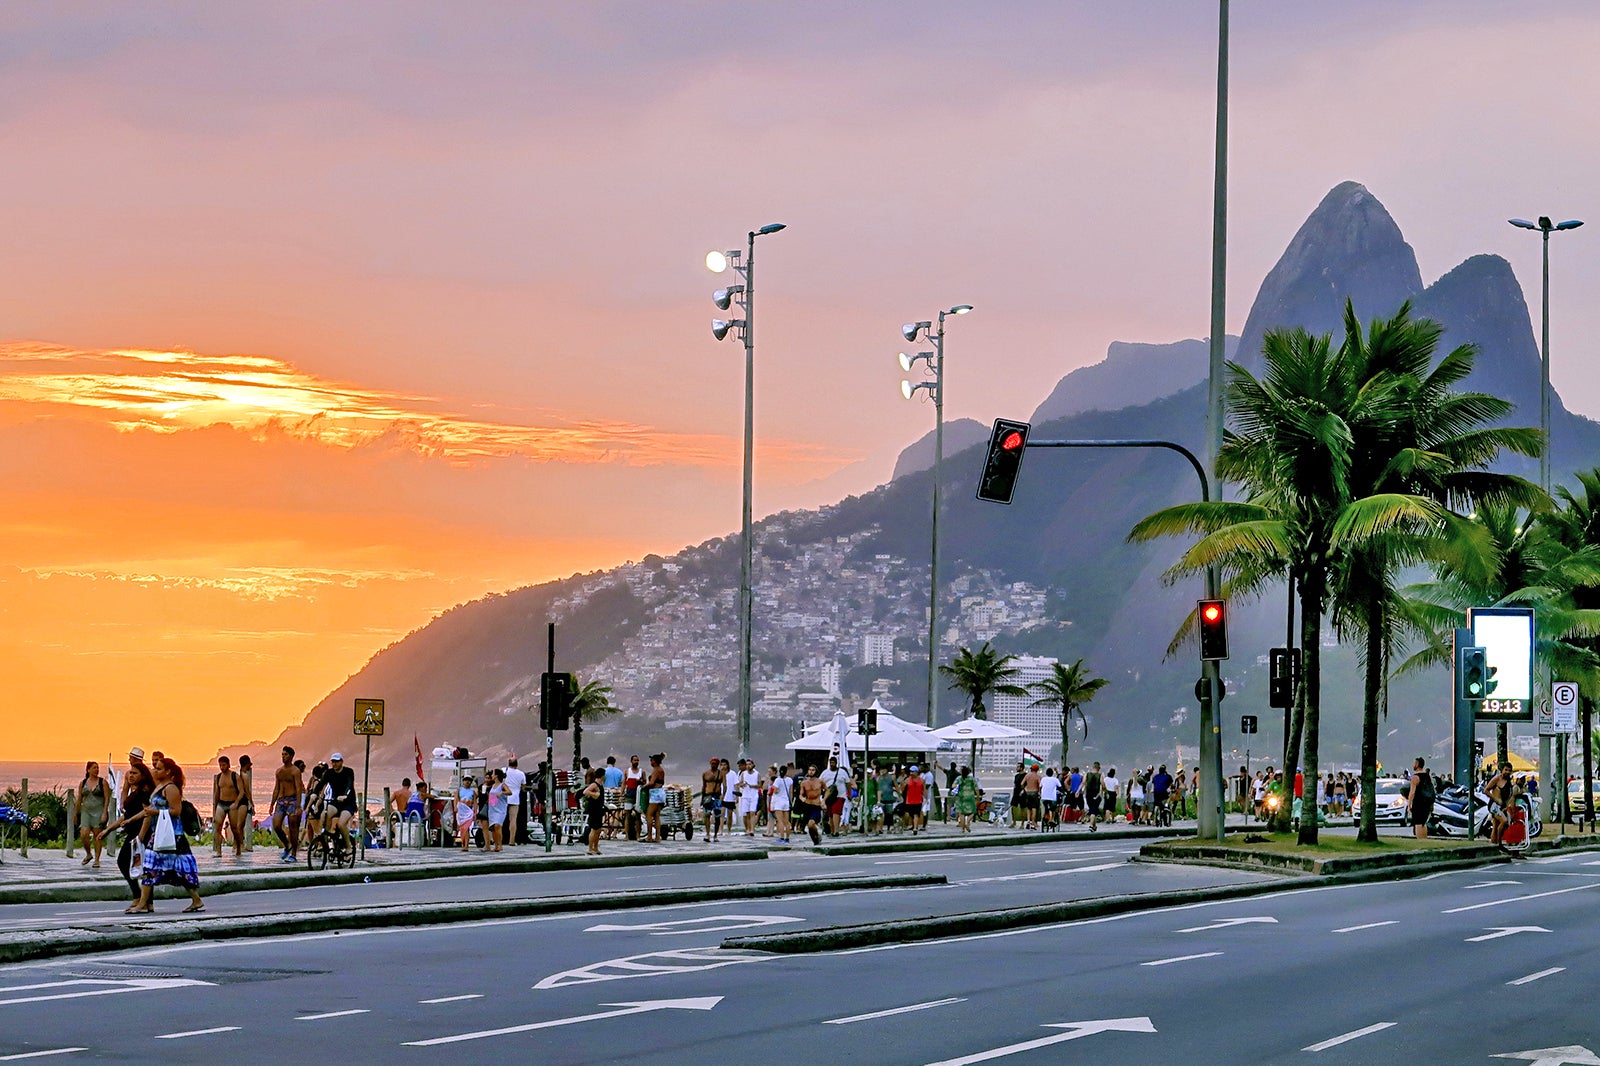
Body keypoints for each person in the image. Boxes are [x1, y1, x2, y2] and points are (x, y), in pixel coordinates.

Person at [126, 757, 204, 915]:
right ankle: (195, 899)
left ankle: (143, 903)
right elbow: (150, 808)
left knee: (156, 866)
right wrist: (132, 819)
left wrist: (155, 812)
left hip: (173, 835)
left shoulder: (171, 788)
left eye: (160, 768)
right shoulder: (159, 787)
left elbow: (176, 811)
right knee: (164, 867)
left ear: (168, 772)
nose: (156, 770)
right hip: (159, 833)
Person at [100, 761, 153, 899]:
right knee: (134, 864)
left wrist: (140, 836)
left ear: (143, 775)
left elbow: (147, 813)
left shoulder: (144, 791)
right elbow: (126, 815)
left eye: (135, 773)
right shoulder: (134, 792)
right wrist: (109, 829)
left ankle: (140, 897)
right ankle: (142, 898)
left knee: (126, 862)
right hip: (132, 833)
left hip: (140, 833)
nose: (131, 775)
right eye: (130, 772)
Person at [75, 761, 112, 867]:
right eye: (94, 768)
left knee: (97, 836)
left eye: (97, 767)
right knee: (84, 834)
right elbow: (79, 799)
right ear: (88, 770)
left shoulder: (102, 782)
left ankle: (97, 859)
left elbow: (107, 798)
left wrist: (105, 812)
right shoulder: (83, 783)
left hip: (98, 811)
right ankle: (88, 854)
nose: (96, 769)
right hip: (86, 811)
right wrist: (76, 814)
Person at [271, 747, 304, 861]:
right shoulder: (279, 771)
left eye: (285, 754)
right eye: (282, 754)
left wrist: (298, 805)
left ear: (290, 756)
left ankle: (294, 853)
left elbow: (298, 788)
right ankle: (287, 844)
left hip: (292, 801)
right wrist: (272, 804)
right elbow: (276, 788)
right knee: (276, 825)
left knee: (292, 828)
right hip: (281, 801)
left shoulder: (295, 771)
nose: (283, 756)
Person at [211, 756, 247, 858]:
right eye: (220, 765)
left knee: (235, 828)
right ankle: (218, 851)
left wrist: (236, 803)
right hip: (222, 804)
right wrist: (214, 808)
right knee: (217, 826)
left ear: (228, 765)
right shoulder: (218, 777)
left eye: (224, 765)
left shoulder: (235, 776)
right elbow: (217, 793)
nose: (222, 767)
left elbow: (241, 792)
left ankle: (238, 847)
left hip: (232, 803)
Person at [324, 753, 358, 852]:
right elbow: (321, 783)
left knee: (341, 824)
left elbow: (350, 785)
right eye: (333, 762)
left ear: (341, 762)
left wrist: (345, 796)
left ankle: (348, 847)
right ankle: (324, 842)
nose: (334, 764)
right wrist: (314, 794)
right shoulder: (329, 773)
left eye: (336, 761)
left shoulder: (348, 772)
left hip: (348, 803)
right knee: (324, 815)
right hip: (336, 802)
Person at [1485, 761, 1515, 848]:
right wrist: (1494, 798)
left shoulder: (1508, 781)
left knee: (1496, 825)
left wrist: (1507, 806)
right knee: (1504, 821)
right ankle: (1499, 844)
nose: (1507, 772)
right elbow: (1486, 790)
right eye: (1506, 770)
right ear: (1502, 770)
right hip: (1494, 805)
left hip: (1502, 806)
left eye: (1509, 770)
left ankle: (1493, 845)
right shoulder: (1497, 779)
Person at [795, 764, 825, 845]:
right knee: (808, 827)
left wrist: (824, 800)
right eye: (810, 770)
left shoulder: (820, 781)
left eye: (813, 770)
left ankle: (818, 835)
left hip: (816, 805)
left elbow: (827, 790)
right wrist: (802, 798)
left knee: (811, 824)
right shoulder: (804, 783)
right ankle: (815, 841)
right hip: (807, 805)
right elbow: (801, 794)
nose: (811, 772)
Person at [1406, 756, 1434, 839]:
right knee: (1423, 823)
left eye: (1414, 763)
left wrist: (1409, 804)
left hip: (1419, 802)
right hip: (1427, 802)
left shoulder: (1415, 777)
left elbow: (1412, 792)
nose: (1413, 765)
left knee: (1418, 823)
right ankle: (1424, 839)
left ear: (1417, 764)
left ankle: (1419, 840)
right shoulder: (1428, 777)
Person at [485, 768, 511, 852]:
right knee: (493, 827)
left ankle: (500, 844)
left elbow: (509, 792)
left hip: (500, 809)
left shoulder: (502, 785)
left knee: (498, 825)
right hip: (492, 808)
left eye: (493, 774)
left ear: (496, 776)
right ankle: (496, 845)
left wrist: (502, 793)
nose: (491, 776)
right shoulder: (492, 786)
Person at [700, 757, 724, 842]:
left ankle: (715, 835)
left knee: (717, 816)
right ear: (710, 763)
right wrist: (702, 798)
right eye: (712, 763)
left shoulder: (721, 774)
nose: (714, 765)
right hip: (708, 795)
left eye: (715, 764)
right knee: (707, 815)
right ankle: (707, 834)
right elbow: (704, 786)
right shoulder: (705, 774)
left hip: (717, 796)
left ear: (718, 764)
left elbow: (725, 786)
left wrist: (722, 796)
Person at [582, 768, 605, 855]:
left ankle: (596, 847)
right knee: (594, 829)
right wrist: (594, 794)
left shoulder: (600, 785)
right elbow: (585, 792)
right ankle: (590, 848)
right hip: (594, 809)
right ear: (602, 775)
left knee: (598, 830)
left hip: (599, 809)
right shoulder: (594, 785)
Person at [504, 758, 527, 845]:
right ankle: (512, 840)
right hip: (515, 798)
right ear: (517, 765)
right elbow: (523, 787)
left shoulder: (504, 770)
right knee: (513, 819)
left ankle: (500, 838)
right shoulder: (521, 774)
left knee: (501, 818)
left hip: (504, 797)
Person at [644, 753, 666, 843]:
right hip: (661, 793)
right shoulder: (661, 770)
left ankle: (649, 836)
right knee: (657, 815)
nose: (650, 762)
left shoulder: (656, 770)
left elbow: (652, 782)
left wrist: (644, 786)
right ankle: (657, 837)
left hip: (655, 793)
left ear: (655, 761)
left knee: (649, 815)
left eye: (652, 760)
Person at [769, 762, 793, 843]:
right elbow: (791, 792)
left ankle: (781, 837)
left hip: (778, 802)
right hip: (786, 801)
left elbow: (775, 791)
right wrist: (791, 801)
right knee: (787, 821)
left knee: (780, 821)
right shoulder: (790, 780)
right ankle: (787, 838)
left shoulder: (777, 780)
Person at [237, 755, 256, 852]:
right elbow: (247, 791)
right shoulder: (244, 775)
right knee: (241, 824)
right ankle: (241, 845)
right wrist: (252, 803)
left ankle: (238, 844)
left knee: (238, 824)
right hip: (243, 801)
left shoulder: (237, 774)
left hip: (236, 800)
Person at [736, 758, 759, 837]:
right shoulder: (743, 774)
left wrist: (752, 786)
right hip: (745, 795)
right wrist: (743, 785)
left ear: (752, 765)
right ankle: (747, 829)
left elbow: (760, 785)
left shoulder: (757, 774)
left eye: (750, 764)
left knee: (752, 812)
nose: (748, 766)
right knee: (746, 813)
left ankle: (752, 829)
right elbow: (740, 784)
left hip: (754, 795)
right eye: (747, 764)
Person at [455, 775, 477, 851]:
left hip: (468, 811)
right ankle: (463, 843)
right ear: (463, 781)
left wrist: (475, 812)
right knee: (462, 828)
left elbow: (475, 803)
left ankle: (466, 845)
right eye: (465, 780)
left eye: (469, 780)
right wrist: (456, 807)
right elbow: (456, 799)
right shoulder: (459, 790)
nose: (467, 782)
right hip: (461, 811)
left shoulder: (473, 792)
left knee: (466, 828)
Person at [1019, 764, 1041, 830]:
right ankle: (1033, 822)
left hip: (1028, 792)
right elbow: (1040, 785)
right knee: (1034, 808)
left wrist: (1024, 789)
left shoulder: (1027, 775)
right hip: (1035, 793)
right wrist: (1039, 792)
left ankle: (1028, 821)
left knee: (1029, 808)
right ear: (1037, 770)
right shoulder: (1037, 776)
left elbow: (1022, 784)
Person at [956, 765, 978, 832]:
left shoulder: (959, 778)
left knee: (961, 813)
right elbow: (976, 788)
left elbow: (953, 786)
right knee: (973, 811)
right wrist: (978, 796)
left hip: (961, 797)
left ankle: (963, 829)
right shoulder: (972, 779)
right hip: (970, 797)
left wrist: (958, 785)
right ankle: (968, 822)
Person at [1084, 762, 1104, 831]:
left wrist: (1078, 791)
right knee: (1093, 810)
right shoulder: (1100, 775)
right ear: (1099, 768)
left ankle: (1094, 826)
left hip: (1088, 795)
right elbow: (1103, 785)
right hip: (1096, 795)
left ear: (1093, 767)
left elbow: (1083, 783)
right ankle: (1091, 825)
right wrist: (1105, 791)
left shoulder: (1087, 774)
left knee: (1093, 810)